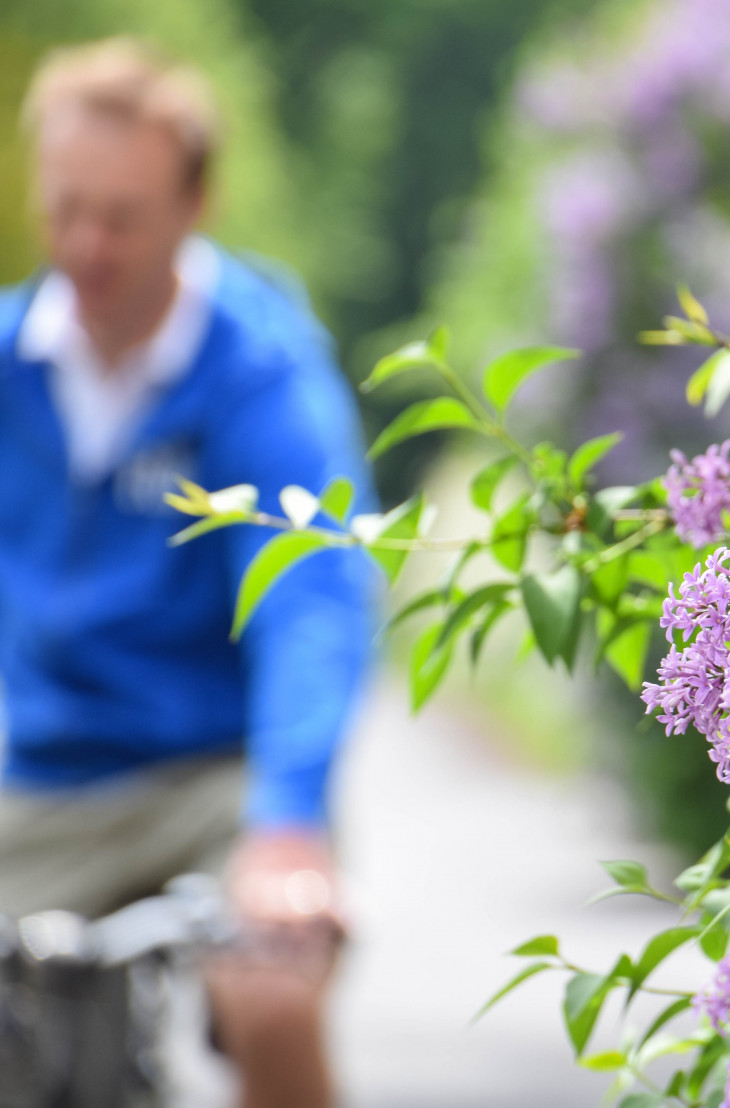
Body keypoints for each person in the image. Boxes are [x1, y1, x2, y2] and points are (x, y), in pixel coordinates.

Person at [0, 38, 374, 1107]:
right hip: (51, 779)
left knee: (271, 990)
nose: (86, 244)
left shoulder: (260, 375)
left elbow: (312, 597)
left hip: (221, 778)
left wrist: (290, 824)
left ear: (193, 201)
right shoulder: (8, 366)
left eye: (120, 216)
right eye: (64, 209)